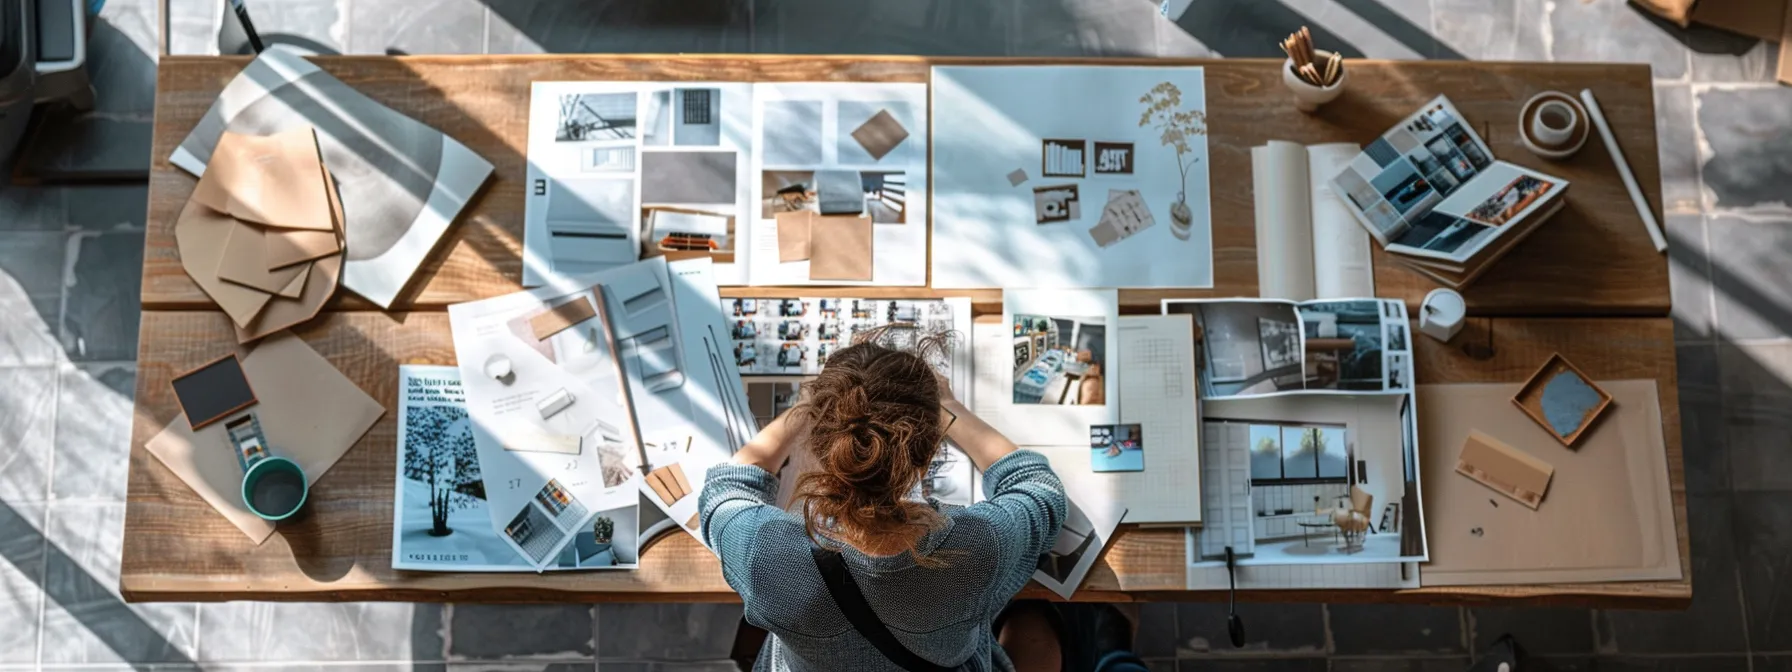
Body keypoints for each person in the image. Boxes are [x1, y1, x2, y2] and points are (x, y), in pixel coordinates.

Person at [701, 331, 1137, 671]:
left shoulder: (765, 555)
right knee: (1059, 615)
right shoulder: (973, 551)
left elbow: (723, 491)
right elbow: (1038, 491)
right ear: (928, 455)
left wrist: (803, 407)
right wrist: (952, 409)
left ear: (820, 443)